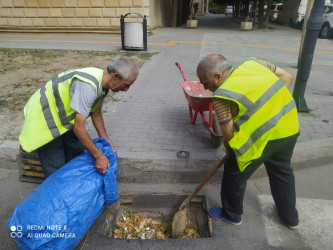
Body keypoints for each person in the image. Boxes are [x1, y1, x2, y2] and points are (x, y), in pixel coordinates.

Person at [197, 54, 299, 229]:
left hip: (262, 140)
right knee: (282, 173)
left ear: (218, 77)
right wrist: (270, 107)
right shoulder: (256, 63)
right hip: (288, 128)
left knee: (233, 171)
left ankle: (231, 214)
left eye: (205, 83)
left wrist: (230, 154)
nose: (205, 88)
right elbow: (287, 77)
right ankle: (290, 219)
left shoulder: (222, 96)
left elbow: (228, 134)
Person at [19, 56, 138, 178]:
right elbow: (78, 127)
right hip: (44, 120)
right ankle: (57, 193)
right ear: (115, 76)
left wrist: (106, 139)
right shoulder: (88, 87)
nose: (126, 90)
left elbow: (96, 113)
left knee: (76, 152)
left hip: (63, 120)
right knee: (56, 168)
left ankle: (71, 188)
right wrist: (99, 156)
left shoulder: (103, 85)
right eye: (126, 85)